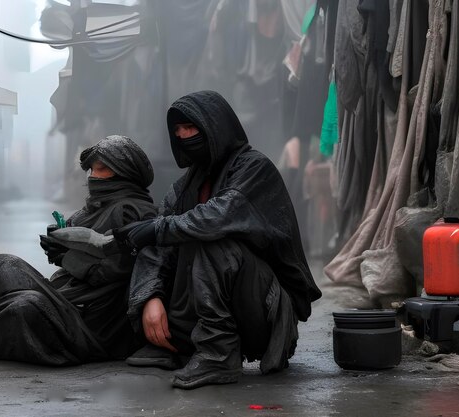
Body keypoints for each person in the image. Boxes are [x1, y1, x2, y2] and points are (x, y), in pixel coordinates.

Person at [114, 91, 322, 389]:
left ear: (215, 126)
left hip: (266, 311)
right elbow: (159, 245)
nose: (184, 136)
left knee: (211, 239)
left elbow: (219, 216)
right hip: (217, 306)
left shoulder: (254, 168)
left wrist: (158, 228)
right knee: (160, 239)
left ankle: (218, 354)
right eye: (178, 131)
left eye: (191, 128)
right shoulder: (184, 186)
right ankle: (180, 342)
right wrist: (150, 299)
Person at [0, 135, 157, 365]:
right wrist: (58, 246)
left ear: (125, 173)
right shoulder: (92, 209)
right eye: (92, 170)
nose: (94, 176)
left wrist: (68, 258)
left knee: (26, 305)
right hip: (65, 296)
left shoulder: (136, 212)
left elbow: (115, 271)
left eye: (102, 169)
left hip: (92, 320)